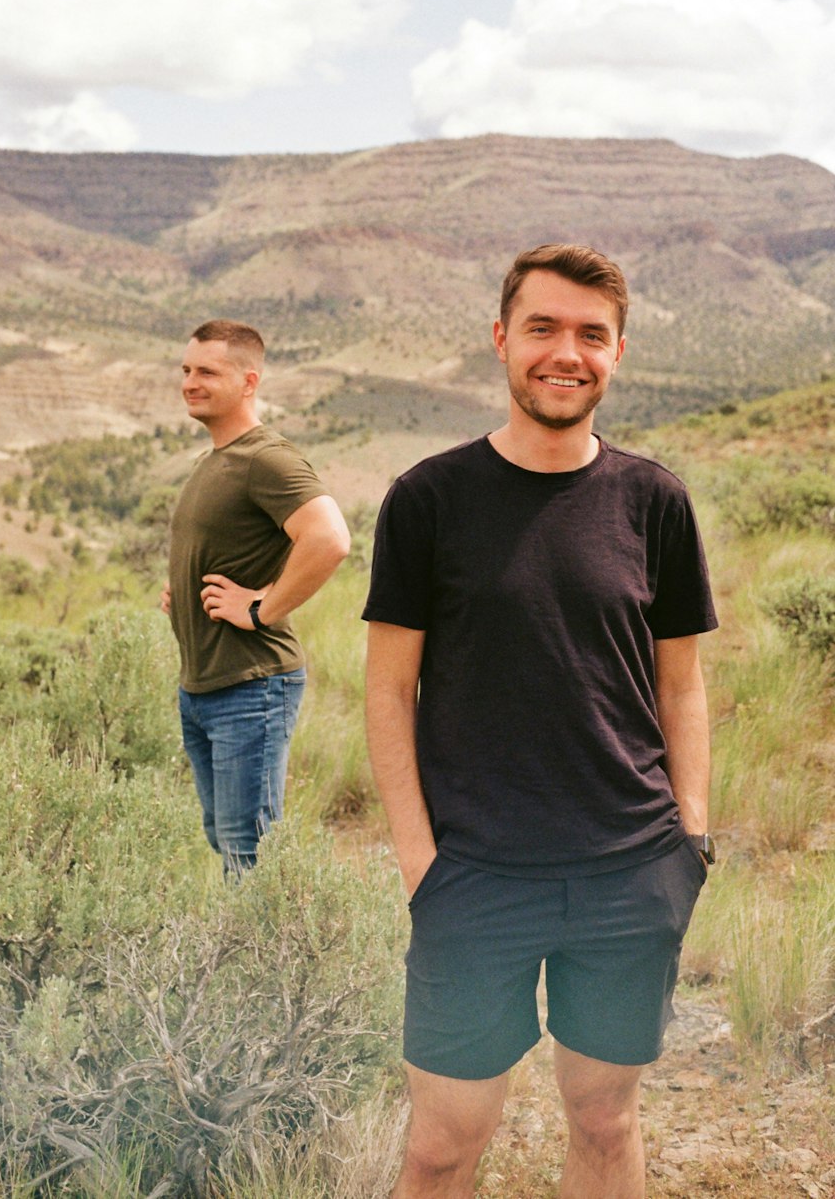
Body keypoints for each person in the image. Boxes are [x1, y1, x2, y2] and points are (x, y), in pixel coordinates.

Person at [363, 244, 717, 1199]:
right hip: (474, 877)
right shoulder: (427, 500)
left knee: (605, 1124)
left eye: (591, 335)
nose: (567, 353)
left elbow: (681, 686)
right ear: (501, 340)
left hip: (629, 868)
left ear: (618, 351)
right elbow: (389, 691)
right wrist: (419, 862)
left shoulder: (653, 501)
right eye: (544, 329)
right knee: (442, 1147)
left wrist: (689, 834)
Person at [162, 319, 350, 874]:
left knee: (251, 855)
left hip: (251, 686)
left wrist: (261, 607)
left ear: (248, 382)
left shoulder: (265, 458)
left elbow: (330, 538)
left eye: (207, 372)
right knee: (227, 843)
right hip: (203, 688)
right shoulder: (215, 459)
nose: (191, 382)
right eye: (187, 370)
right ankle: (246, 958)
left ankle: (269, 962)